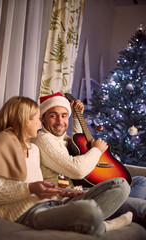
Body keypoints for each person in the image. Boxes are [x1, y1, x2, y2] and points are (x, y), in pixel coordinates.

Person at [0, 96, 132, 237]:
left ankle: (89, 223)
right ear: (23, 120)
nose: (39, 124)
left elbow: (42, 183)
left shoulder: (33, 149)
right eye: (37, 118)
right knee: (88, 209)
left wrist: (61, 191)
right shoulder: (0, 144)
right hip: (29, 214)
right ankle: (104, 226)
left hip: (54, 203)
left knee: (120, 184)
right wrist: (29, 188)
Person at [32, 92, 146, 228]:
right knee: (141, 206)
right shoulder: (44, 139)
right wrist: (97, 150)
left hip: (81, 191)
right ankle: (115, 210)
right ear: (42, 119)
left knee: (140, 181)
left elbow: (76, 145)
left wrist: (76, 118)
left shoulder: (59, 138)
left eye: (64, 116)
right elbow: (77, 170)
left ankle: (118, 207)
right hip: (68, 200)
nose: (59, 121)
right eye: (53, 115)